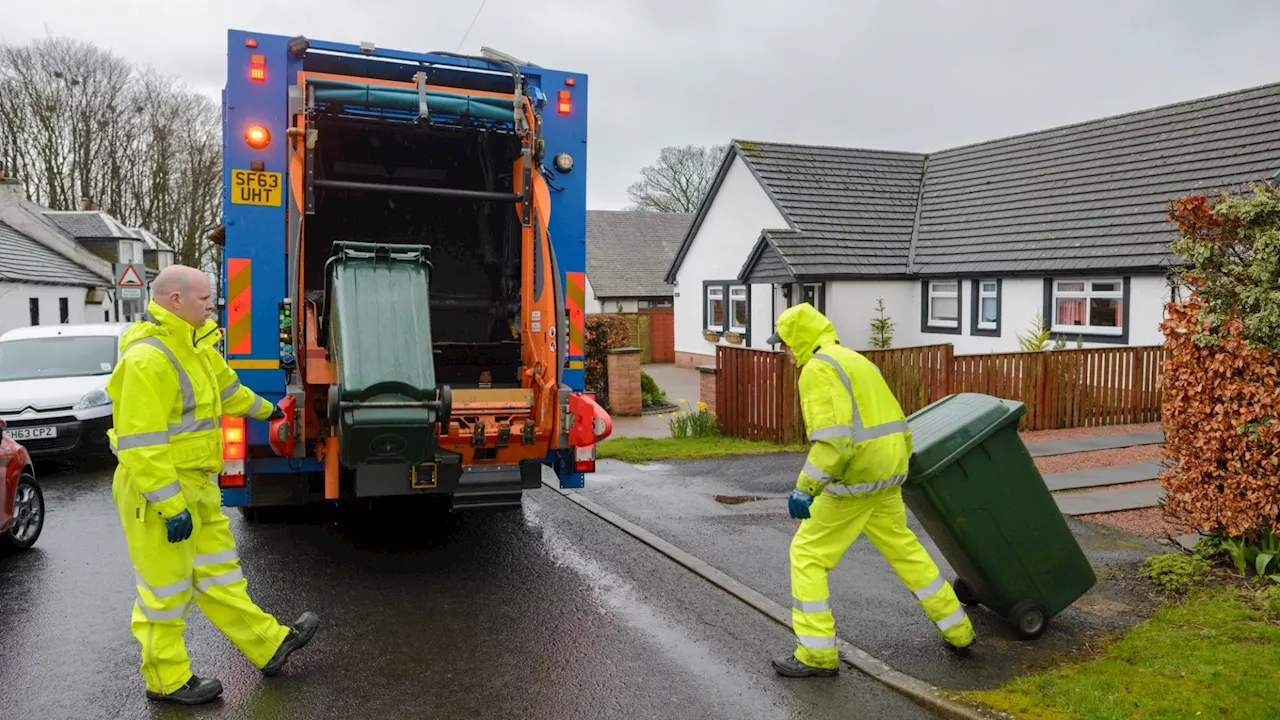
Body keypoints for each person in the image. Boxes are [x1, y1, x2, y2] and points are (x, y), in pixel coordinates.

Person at [106, 265, 320, 705]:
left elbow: (229, 392)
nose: (212, 303)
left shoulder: (197, 347)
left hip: (198, 487)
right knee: (163, 592)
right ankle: (167, 680)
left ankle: (269, 644)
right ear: (174, 301)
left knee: (222, 579)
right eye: (204, 297)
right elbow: (139, 444)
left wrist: (271, 412)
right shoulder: (146, 359)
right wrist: (169, 505)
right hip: (161, 492)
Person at [767, 302, 974, 678]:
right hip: (889, 473)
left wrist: (806, 488)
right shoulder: (856, 361)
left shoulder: (818, 369)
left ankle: (816, 655)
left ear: (796, 338)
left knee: (807, 555)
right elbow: (896, 418)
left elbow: (834, 442)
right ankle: (959, 630)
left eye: (782, 343)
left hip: (855, 479)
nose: (783, 350)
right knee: (906, 550)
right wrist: (900, 464)